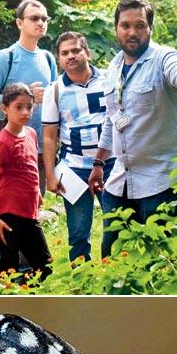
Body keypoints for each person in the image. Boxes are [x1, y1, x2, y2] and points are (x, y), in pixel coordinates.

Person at [87, 0, 177, 258]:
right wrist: (99, 164)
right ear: (116, 28)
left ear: (150, 29)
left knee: (159, 259)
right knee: (111, 255)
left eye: (140, 25)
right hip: (121, 179)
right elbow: (113, 120)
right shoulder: (113, 68)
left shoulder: (164, 57)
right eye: (125, 25)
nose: (132, 32)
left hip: (161, 182)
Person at [41, 31, 107, 262]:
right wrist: (50, 174)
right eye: (64, 53)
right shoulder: (55, 90)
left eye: (76, 50)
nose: (70, 56)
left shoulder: (109, 81)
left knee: (117, 226)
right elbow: (49, 136)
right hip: (74, 167)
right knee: (78, 232)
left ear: (87, 52)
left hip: (111, 164)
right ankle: (82, 286)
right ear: (58, 59)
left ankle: (118, 282)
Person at [0, 83, 50, 282]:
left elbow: (29, 168)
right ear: (5, 109)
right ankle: (5, 309)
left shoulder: (31, 134)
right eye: (18, 107)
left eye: (29, 106)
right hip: (8, 215)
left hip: (29, 211)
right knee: (8, 269)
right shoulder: (3, 142)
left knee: (45, 267)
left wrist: (37, 194)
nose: (25, 112)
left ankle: (28, 302)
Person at [0, 0, 56, 137]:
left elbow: (55, 101)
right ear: (19, 23)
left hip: (42, 144)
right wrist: (26, 97)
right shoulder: (5, 57)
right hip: (8, 145)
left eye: (44, 19)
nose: (41, 23)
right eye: (34, 18)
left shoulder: (48, 58)